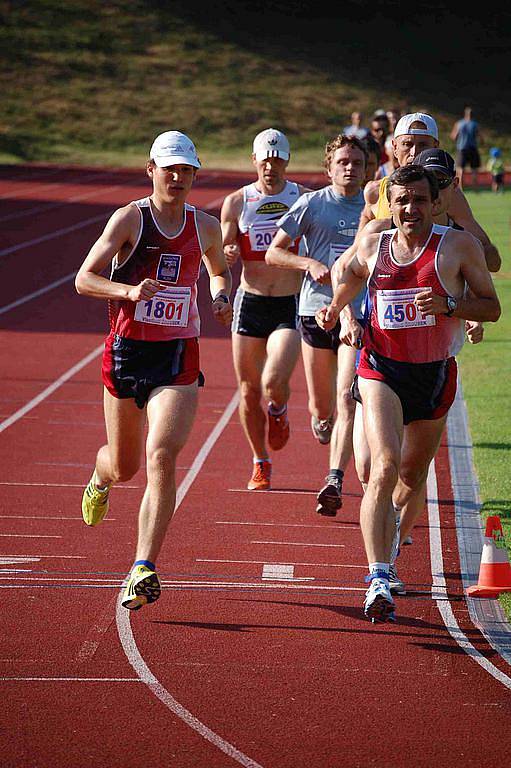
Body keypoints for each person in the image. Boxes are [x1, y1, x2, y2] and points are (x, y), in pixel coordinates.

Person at [316, 164, 501, 622]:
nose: (410, 209)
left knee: (411, 478)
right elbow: (353, 273)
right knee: (382, 467)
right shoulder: (375, 242)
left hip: (434, 374)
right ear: (390, 204)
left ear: (436, 203)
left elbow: (492, 306)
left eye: (419, 200)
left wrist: (450, 305)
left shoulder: (457, 247)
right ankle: (378, 576)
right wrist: (340, 310)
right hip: (381, 369)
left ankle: (393, 539)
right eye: (402, 201)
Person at [75, 130, 232, 610]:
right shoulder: (129, 220)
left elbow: (219, 268)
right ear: (152, 170)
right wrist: (127, 293)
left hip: (177, 354)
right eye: (171, 169)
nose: (180, 178)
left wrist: (221, 294)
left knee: (161, 454)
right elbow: (84, 279)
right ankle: (100, 479)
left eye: (188, 170)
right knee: (124, 465)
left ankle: (143, 566)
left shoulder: (203, 226)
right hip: (126, 352)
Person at [266, 133, 367, 515]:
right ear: (329, 168)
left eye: (357, 163)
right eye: (342, 162)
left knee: (347, 397)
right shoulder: (311, 204)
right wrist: (309, 263)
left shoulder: (374, 210)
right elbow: (274, 252)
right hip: (315, 312)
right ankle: (319, 421)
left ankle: (334, 480)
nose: (350, 169)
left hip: (356, 315)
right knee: (322, 406)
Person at [220, 129, 309, 491]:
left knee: (274, 381)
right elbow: (223, 253)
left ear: (287, 161)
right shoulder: (238, 202)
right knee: (247, 389)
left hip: (289, 302)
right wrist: (228, 256)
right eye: (264, 160)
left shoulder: (302, 198)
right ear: (254, 160)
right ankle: (260, 460)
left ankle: (279, 409)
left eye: (277, 160)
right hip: (250, 300)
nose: (270, 167)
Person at [357, 112, 501, 272]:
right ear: (395, 147)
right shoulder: (376, 191)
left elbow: (491, 261)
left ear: (435, 147)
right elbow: (353, 259)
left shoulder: (447, 193)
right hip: (387, 292)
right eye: (407, 144)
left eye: (423, 145)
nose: (414, 152)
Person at [450, 106, 481, 189]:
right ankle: (475, 187)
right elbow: (480, 137)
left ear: (465, 114)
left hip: (462, 148)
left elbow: (453, 136)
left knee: (461, 169)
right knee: (474, 169)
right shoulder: (475, 124)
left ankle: (461, 187)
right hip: (473, 148)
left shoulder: (459, 123)